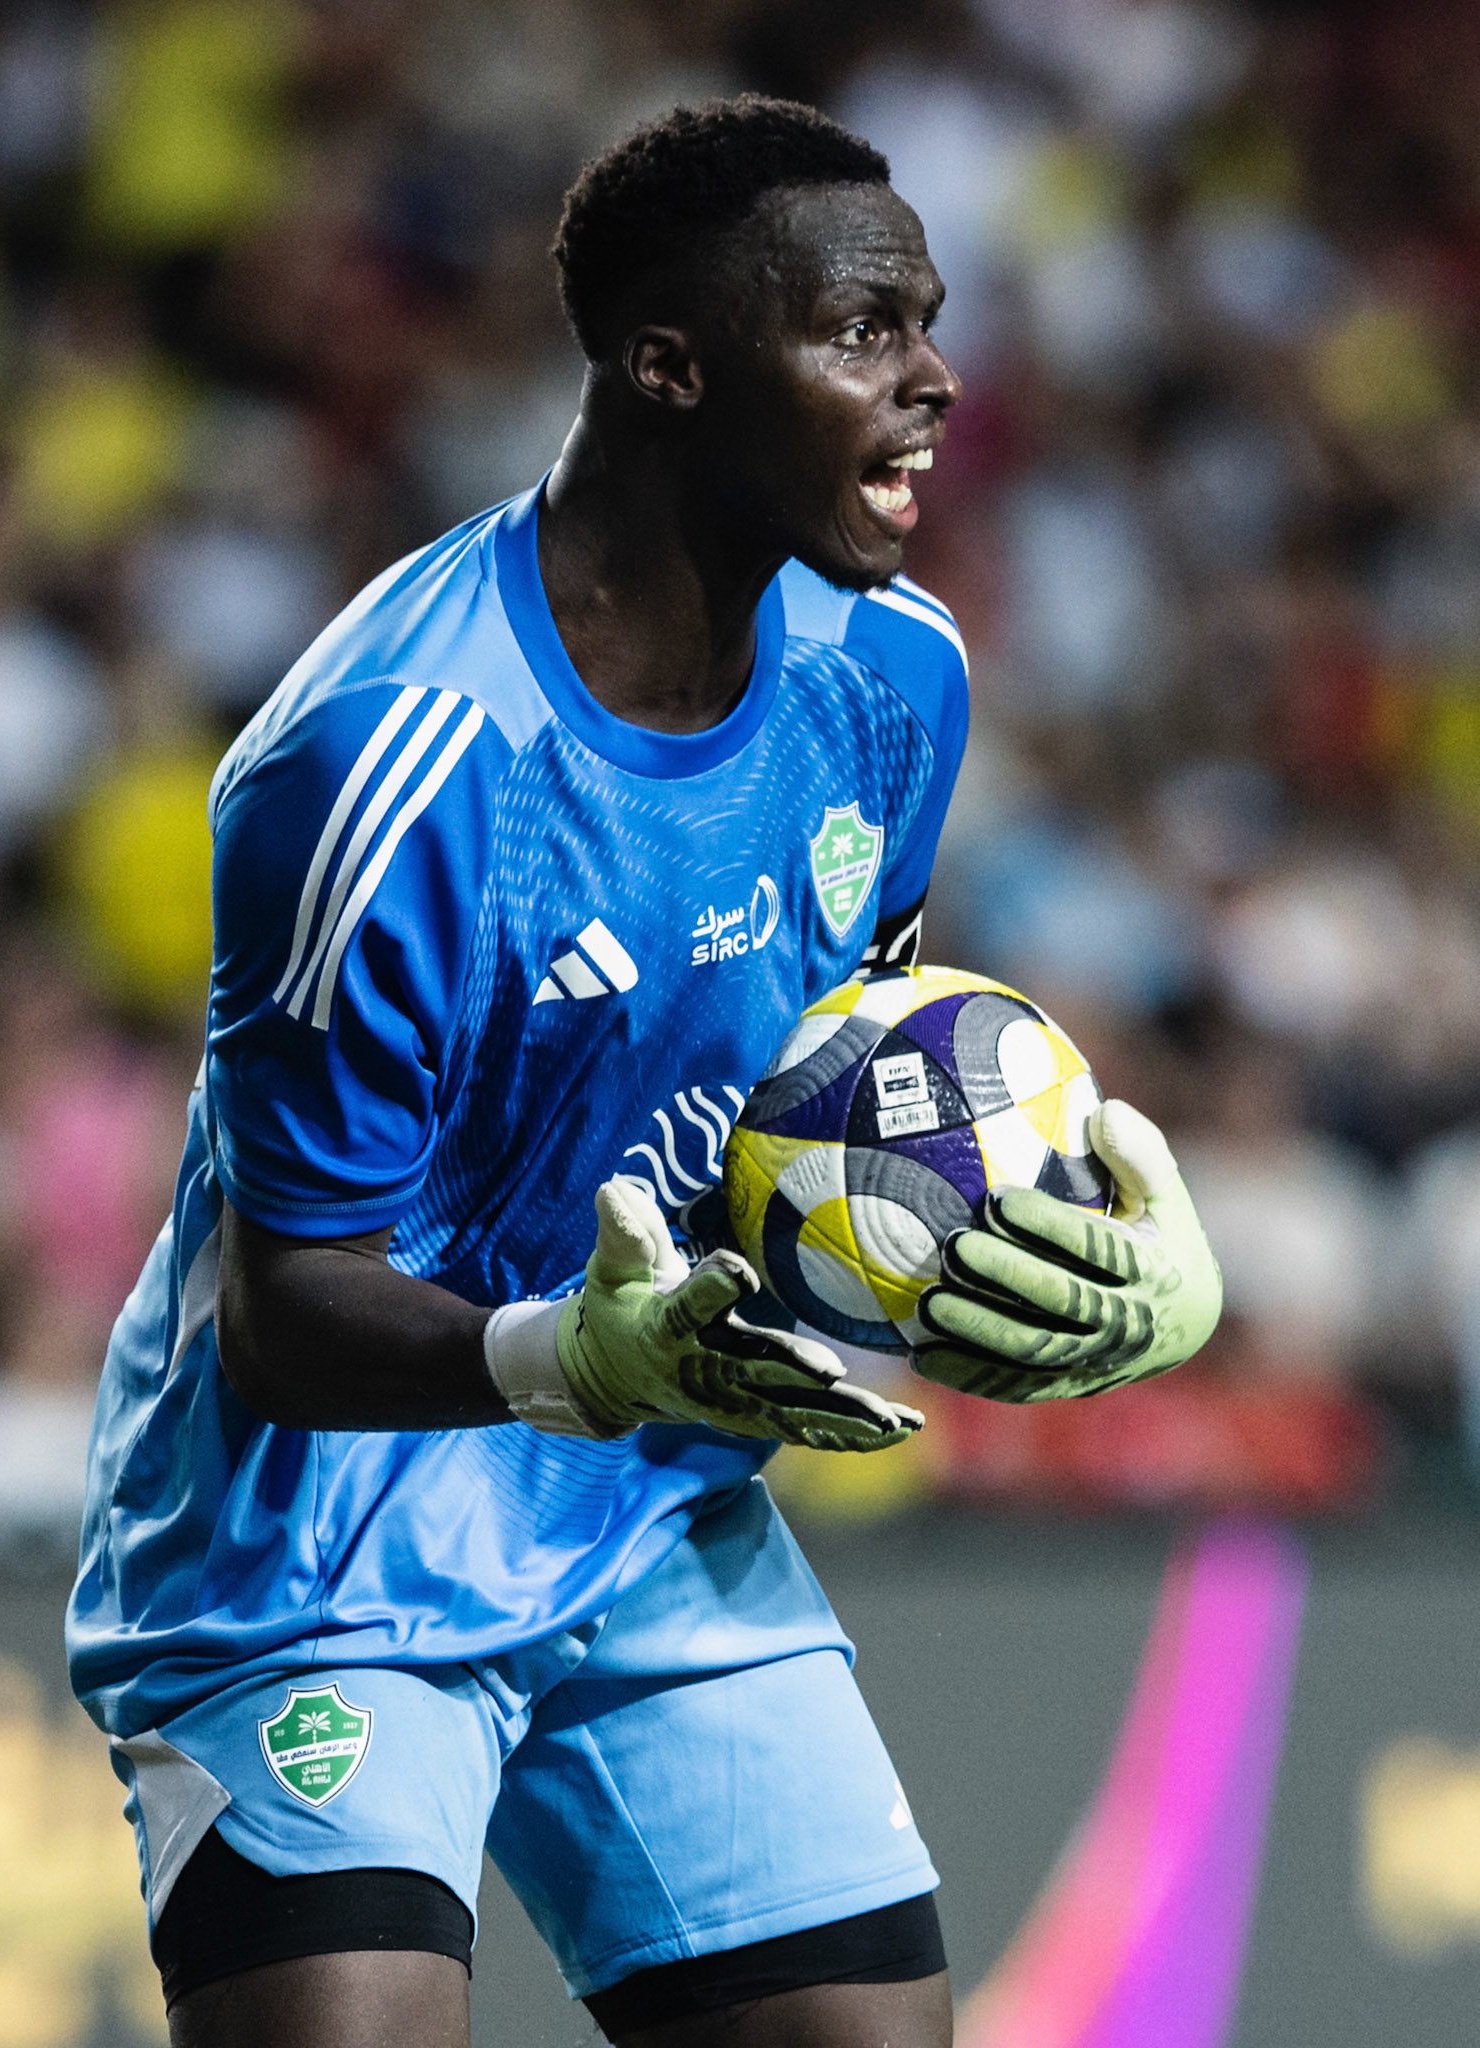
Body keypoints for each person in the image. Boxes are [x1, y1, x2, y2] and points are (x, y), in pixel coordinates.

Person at [68, 95, 1219, 2048]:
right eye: (862, 330)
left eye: (929, 323)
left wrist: (1068, 1266)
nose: (936, 379)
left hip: (648, 1508)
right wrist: (569, 1358)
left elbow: (817, 1125)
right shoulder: (385, 763)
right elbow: (282, 1311)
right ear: (668, 367)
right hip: (317, 1544)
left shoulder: (895, 677)